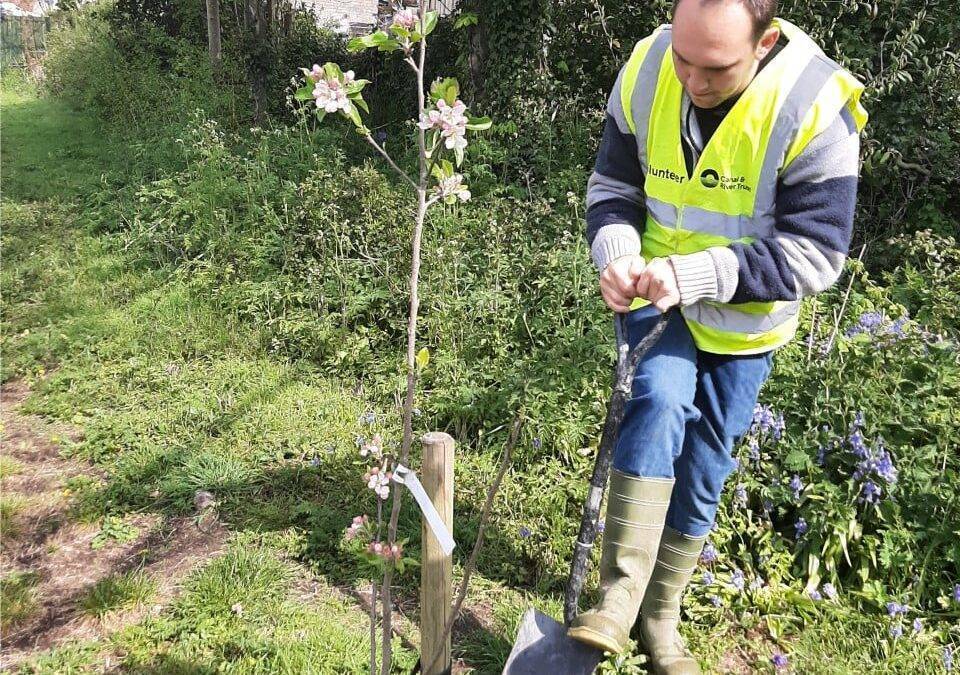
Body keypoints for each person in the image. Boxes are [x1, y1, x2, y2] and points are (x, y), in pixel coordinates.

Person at [566, 0, 867, 672]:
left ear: (762, 44)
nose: (693, 82)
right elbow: (613, 185)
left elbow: (817, 253)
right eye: (684, 57)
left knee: (706, 465)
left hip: (746, 321)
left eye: (717, 68)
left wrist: (697, 273)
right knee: (659, 398)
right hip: (653, 298)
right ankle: (618, 596)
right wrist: (615, 252)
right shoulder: (647, 67)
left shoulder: (816, 104)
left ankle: (661, 615)